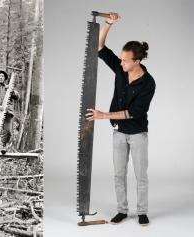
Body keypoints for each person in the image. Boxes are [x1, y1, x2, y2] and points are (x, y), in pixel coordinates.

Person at [85, 13, 156, 226]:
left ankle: (142, 211)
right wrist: (108, 25)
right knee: (118, 175)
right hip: (118, 132)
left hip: (137, 134)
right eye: (121, 59)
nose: (122, 62)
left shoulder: (148, 83)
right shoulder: (121, 68)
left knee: (140, 175)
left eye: (126, 60)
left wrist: (103, 115)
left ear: (137, 61)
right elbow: (99, 47)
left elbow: (133, 113)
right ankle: (122, 210)